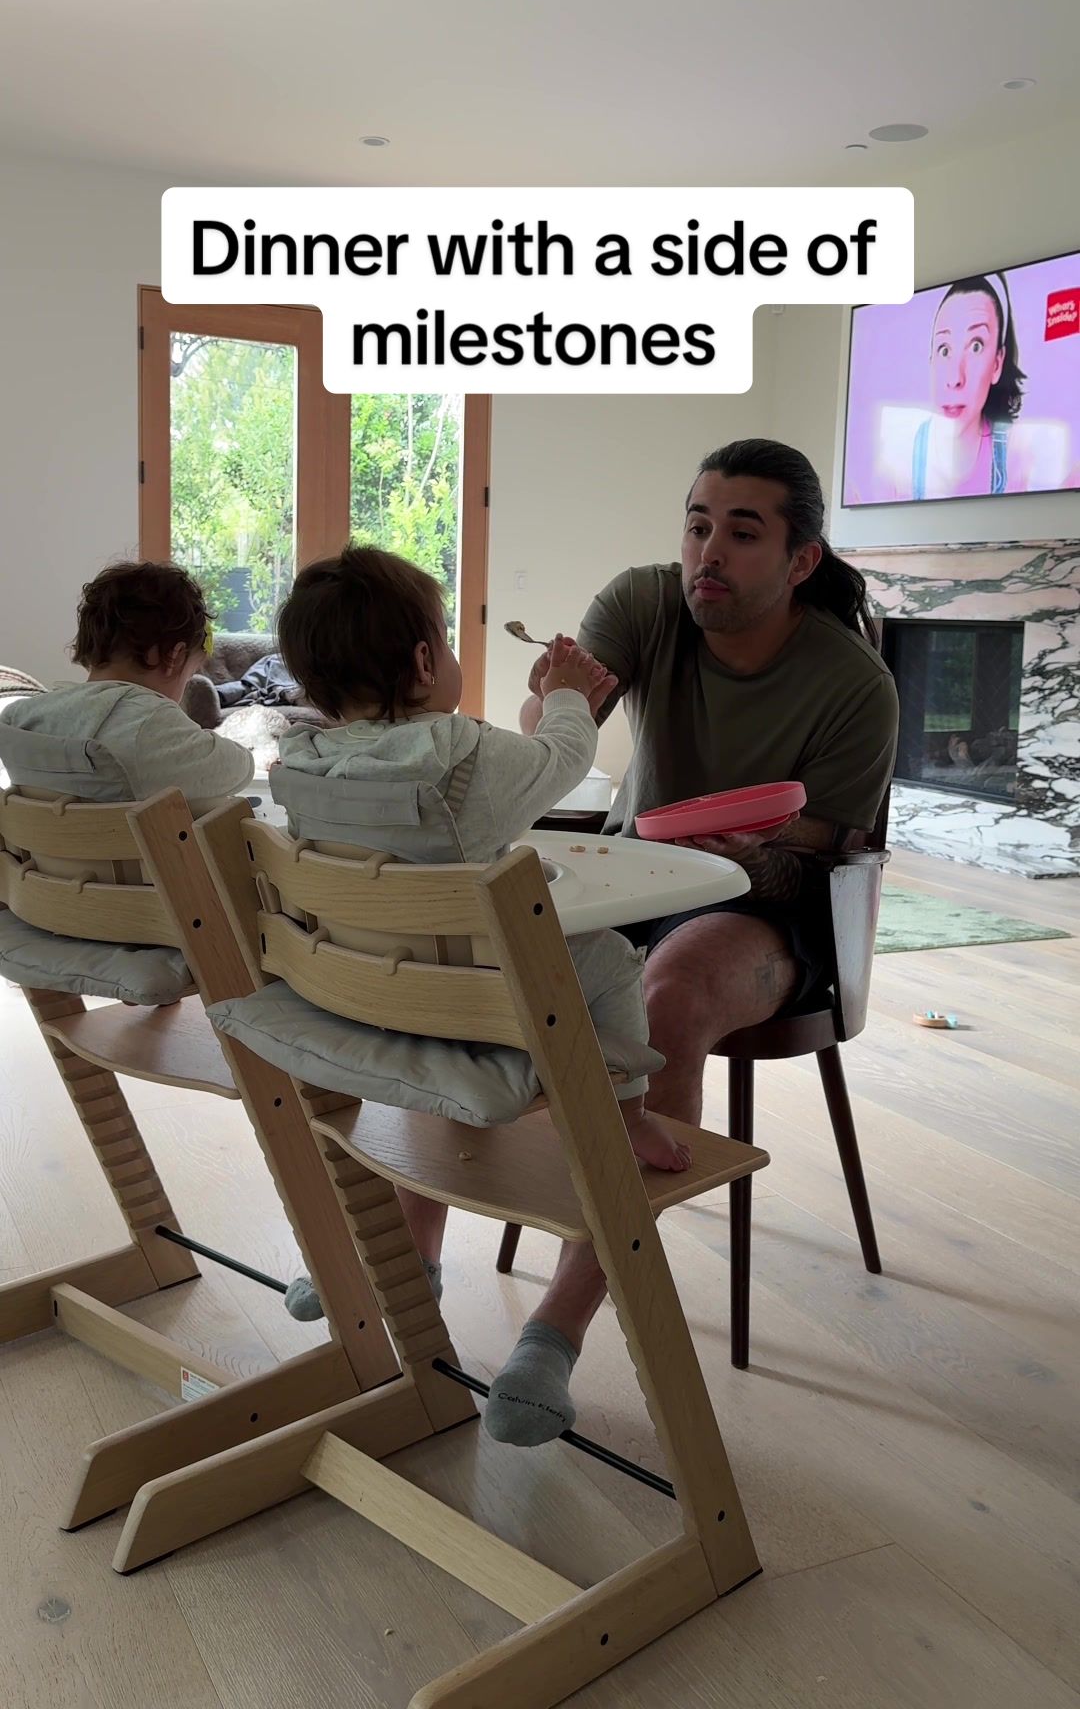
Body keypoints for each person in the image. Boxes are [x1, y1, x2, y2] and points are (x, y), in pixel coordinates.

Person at [270, 544, 682, 1447]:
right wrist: (566, 695)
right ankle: (629, 1111)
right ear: (425, 663)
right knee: (611, 958)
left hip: (371, 1002)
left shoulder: (299, 760)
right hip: (485, 1000)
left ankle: (398, 1265)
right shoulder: (461, 758)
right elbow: (563, 756)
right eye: (449, 640)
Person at [513, 438, 899, 1368]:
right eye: (696, 526)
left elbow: (826, 862)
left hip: (773, 904)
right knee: (487, 963)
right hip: (628, 871)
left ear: (801, 561)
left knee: (671, 995)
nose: (707, 554)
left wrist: (752, 858)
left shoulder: (855, 685)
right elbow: (554, 740)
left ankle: (560, 1323)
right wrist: (552, 703)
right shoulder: (646, 604)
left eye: (742, 533)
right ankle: (413, 1266)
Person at [0, 560, 255, 813]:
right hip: (127, 843)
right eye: (189, 676)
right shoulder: (149, 722)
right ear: (174, 657)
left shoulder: (19, 718)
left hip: (40, 841)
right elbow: (238, 769)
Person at [911, 273, 1026, 499]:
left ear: (997, 363)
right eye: (944, 349)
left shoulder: (1019, 459)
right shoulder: (899, 460)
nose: (955, 377)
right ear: (931, 360)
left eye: (976, 346)